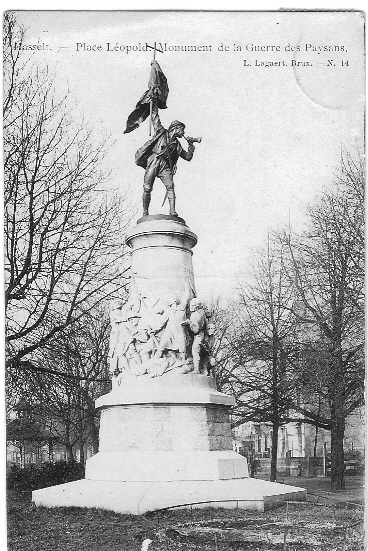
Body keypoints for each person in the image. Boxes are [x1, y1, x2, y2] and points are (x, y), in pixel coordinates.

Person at [135, 62, 196, 217]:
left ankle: (172, 210)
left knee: (171, 187)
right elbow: (154, 115)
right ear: (175, 129)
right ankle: (145, 212)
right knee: (147, 188)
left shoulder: (177, 146)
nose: (183, 132)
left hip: (165, 166)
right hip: (154, 160)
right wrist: (153, 99)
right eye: (182, 129)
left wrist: (191, 145)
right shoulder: (161, 132)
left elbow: (187, 157)